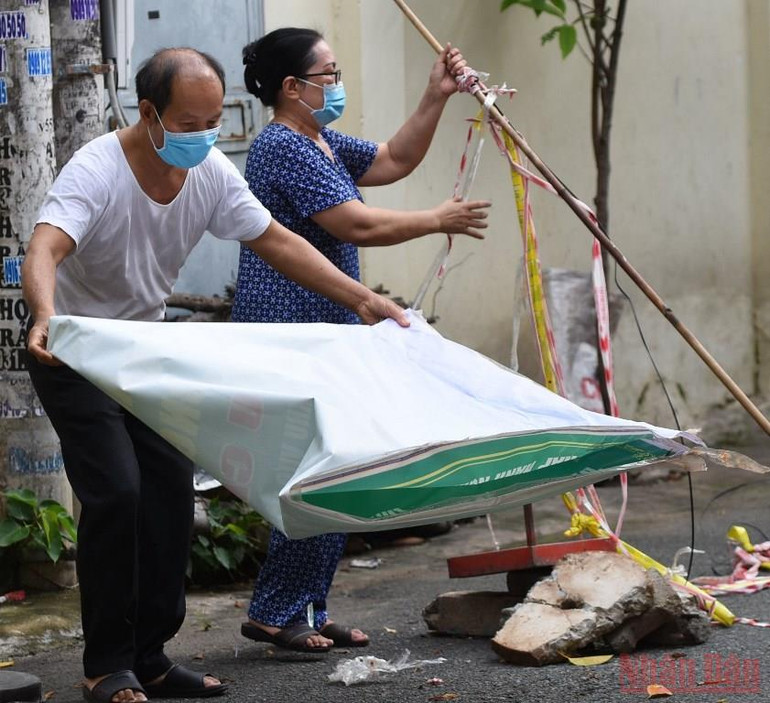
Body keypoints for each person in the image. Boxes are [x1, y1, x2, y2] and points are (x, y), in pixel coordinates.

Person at [21, 47, 408, 703]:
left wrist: (363, 300)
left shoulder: (210, 173)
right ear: (149, 114)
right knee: (116, 491)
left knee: (172, 491)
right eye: (191, 122)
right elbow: (46, 245)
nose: (205, 135)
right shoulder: (97, 170)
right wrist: (45, 313)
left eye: (211, 121)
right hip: (72, 347)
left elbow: (277, 241)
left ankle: (151, 656)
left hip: (143, 353)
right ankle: (106, 664)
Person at [235, 28, 490, 654]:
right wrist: (437, 219)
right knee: (318, 466)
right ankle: (278, 610)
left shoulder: (317, 139)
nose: (337, 83)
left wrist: (436, 95)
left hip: (331, 325)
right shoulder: (281, 146)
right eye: (328, 73)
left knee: (339, 463)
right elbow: (356, 223)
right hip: (295, 328)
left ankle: (307, 607)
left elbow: (391, 160)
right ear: (292, 88)